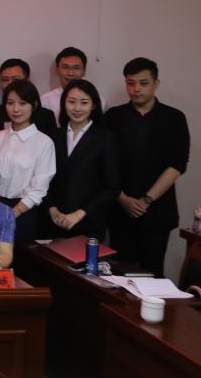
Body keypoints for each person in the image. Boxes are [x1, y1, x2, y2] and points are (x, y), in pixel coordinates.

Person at [106, 57, 190, 277]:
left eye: (143, 83)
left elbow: (177, 165)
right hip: (119, 209)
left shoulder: (174, 118)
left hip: (157, 211)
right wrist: (122, 198)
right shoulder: (113, 116)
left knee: (152, 274)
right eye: (130, 83)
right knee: (119, 275)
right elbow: (105, 163)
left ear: (156, 83)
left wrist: (146, 200)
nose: (136, 89)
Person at [45, 79, 119, 240]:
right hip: (54, 222)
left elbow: (111, 188)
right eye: (72, 102)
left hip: (89, 225)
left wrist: (78, 214)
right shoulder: (53, 136)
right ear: (64, 103)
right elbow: (44, 178)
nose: (77, 108)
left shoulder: (106, 138)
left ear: (93, 105)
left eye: (84, 102)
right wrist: (52, 208)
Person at [0, 80, 55, 243]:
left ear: (34, 105)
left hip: (23, 212)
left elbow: (38, 190)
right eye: (10, 103)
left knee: (21, 256)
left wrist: (12, 214)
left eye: (23, 103)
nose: (16, 109)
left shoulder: (44, 142)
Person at [0, 58, 58, 138]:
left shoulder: (45, 116)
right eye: (5, 80)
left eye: (16, 79)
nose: (10, 84)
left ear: (27, 81)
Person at [40, 47, 104, 125]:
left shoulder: (100, 101)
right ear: (57, 70)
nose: (70, 73)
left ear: (84, 71)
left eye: (76, 68)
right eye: (65, 67)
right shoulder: (45, 101)